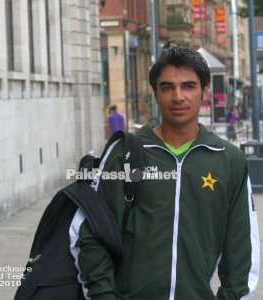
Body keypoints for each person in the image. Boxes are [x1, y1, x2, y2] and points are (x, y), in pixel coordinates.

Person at [69, 47, 260, 299]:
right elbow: (87, 233)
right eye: (167, 87)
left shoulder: (229, 160)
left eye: (188, 86)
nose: (178, 96)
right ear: (156, 93)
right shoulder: (123, 154)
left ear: (204, 91)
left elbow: (242, 248)